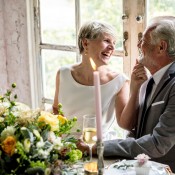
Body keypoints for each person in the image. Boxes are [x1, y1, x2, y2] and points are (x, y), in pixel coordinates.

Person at [78, 16, 175, 172]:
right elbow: (135, 131)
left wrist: (101, 147)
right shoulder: (149, 80)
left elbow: (158, 144)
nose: (137, 45)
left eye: (143, 41)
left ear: (161, 47)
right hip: (138, 167)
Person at [53, 21, 147, 140]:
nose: (112, 47)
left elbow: (126, 124)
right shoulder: (63, 74)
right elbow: (56, 109)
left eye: (114, 43)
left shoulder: (119, 81)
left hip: (99, 147)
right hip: (66, 146)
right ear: (85, 43)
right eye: (107, 41)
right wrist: (58, 137)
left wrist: (136, 87)